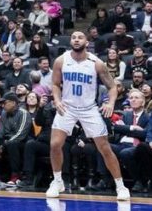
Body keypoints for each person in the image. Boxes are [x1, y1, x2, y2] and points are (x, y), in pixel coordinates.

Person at [46, 30, 130, 200]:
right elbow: (55, 84)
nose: (76, 40)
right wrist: (57, 99)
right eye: (74, 37)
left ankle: (121, 186)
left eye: (80, 37)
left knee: (104, 148)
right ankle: (57, 181)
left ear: (87, 42)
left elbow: (112, 87)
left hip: (89, 108)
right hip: (67, 107)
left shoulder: (96, 63)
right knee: (55, 144)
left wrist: (110, 103)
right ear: (71, 41)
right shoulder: (61, 60)